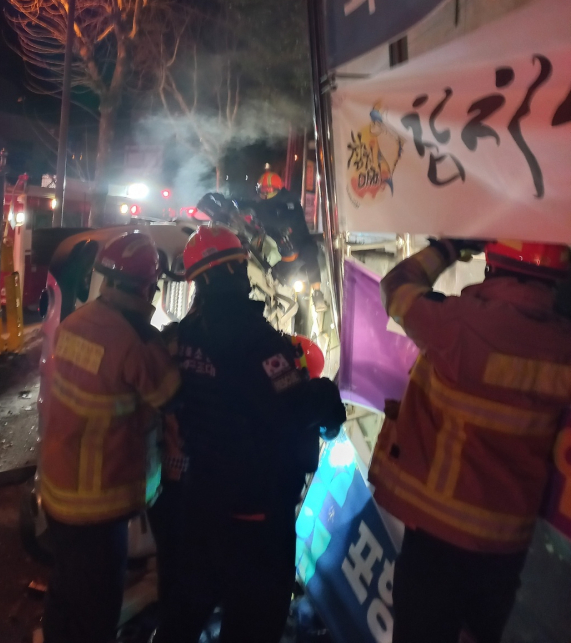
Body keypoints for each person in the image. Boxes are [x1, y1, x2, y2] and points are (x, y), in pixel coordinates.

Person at [369, 238, 571, 643]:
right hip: (505, 549)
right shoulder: (563, 345)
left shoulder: (457, 324)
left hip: (439, 540)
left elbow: (396, 286)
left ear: (493, 261)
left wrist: (447, 247)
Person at [153, 225, 346, 643]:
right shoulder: (252, 338)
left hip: (201, 498)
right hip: (254, 511)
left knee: (185, 612)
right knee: (255, 620)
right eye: (239, 265)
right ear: (232, 269)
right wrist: (327, 396)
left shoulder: (187, 333)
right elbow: (290, 408)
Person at [39, 231, 181, 643]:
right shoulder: (135, 342)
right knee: (96, 612)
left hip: (58, 491)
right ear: (146, 286)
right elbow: (170, 394)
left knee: (65, 595)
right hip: (98, 507)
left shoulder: (76, 323)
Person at [248, 171, 325, 309]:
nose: (264, 193)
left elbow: (289, 220)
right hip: (277, 248)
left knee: (309, 253)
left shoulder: (290, 203)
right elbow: (252, 207)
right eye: (262, 190)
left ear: (277, 189)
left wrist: (284, 228)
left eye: (268, 190)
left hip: (298, 243)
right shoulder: (264, 204)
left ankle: (317, 294)